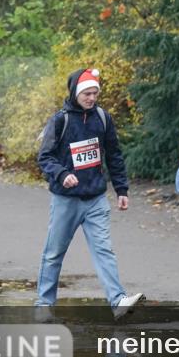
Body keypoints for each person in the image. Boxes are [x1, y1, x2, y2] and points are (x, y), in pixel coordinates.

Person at [36, 68, 144, 319]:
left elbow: (114, 155)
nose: (91, 98)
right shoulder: (60, 120)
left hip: (96, 199)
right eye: (87, 93)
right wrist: (63, 174)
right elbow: (44, 157)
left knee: (104, 250)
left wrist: (121, 189)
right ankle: (43, 304)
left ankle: (118, 301)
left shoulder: (103, 118)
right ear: (75, 93)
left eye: (95, 93)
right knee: (54, 253)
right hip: (66, 200)